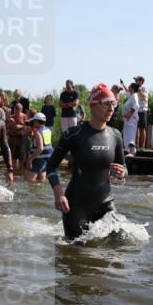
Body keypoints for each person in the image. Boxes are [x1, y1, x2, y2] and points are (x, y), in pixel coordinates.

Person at [45, 83, 126, 240]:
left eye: (114, 103)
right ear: (93, 105)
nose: (111, 108)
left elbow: (123, 168)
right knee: (76, 254)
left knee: (121, 245)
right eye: (106, 103)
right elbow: (51, 166)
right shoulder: (73, 134)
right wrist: (58, 193)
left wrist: (122, 173)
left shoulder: (116, 135)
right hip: (76, 206)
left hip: (106, 205)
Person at [26, 112, 53, 182]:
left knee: (29, 181)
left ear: (37, 122)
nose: (33, 122)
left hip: (39, 158)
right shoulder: (48, 130)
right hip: (48, 157)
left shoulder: (37, 132)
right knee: (41, 180)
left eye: (34, 121)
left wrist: (30, 159)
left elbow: (40, 148)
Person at [121, 83, 141, 151]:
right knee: (127, 136)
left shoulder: (134, 96)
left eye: (129, 87)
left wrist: (129, 114)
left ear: (132, 88)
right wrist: (123, 84)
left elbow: (136, 106)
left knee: (130, 136)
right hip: (128, 120)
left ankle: (131, 151)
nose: (128, 88)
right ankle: (128, 151)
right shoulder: (131, 95)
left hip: (131, 119)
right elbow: (126, 91)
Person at [134, 76, 149, 150]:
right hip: (136, 111)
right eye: (135, 80)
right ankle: (136, 145)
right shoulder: (135, 89)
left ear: (141, 81)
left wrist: (139, 90)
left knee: (142, 128)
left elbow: (144, 97)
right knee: (136, 128)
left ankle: (142, 146)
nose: (135, 81)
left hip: (143, 110)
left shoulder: (144, 88)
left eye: (137, 80)